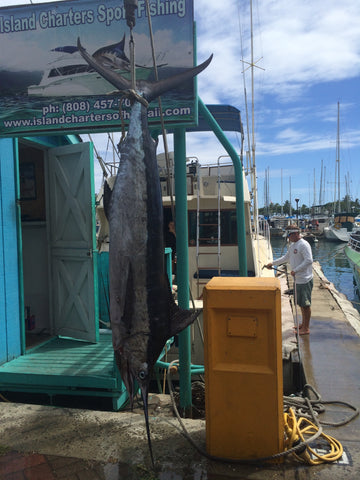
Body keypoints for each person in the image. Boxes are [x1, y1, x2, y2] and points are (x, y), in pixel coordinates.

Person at [265, 224, 313, 335]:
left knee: (306, 305)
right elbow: (286, 258)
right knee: (301, 303)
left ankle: (306, 328)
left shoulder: (304, 245)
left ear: (296, 233)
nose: (288, 238)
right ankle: (303, 324)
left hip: (304, 279)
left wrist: (295, 270)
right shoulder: (293, 245)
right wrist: (273, 263)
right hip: (298, 280)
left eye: (289, 235)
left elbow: (309, 260)